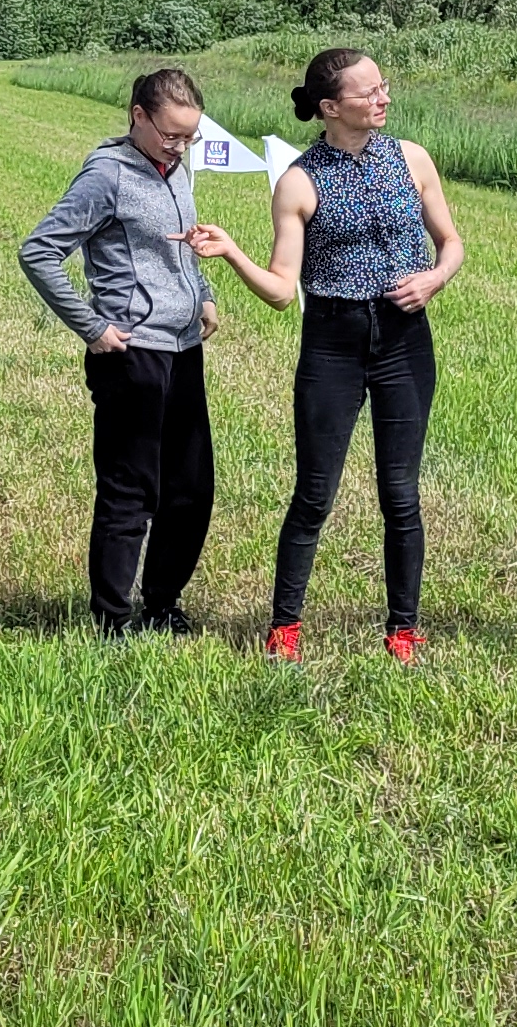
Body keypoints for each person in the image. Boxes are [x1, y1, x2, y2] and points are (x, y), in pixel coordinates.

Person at [188, 48, 465, 662]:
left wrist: (435, 278)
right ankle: (284, 627)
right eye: (369, 92)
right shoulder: (299, 181)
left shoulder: (413, 158)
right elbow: (282, 291)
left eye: (383, 86)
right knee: (315, 494)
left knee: (401, 495)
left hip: (404, 340)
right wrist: (232, 252)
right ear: (330, 107)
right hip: (332, 345)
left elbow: (450, 242)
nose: (383, 98)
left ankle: (403, 630)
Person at [18, 66, 224, 636]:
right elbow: (38, 252)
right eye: (171, 135)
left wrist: (203, 293)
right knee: (131, 492)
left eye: (190, 137)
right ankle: (112, 620)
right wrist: (92, 327)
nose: (181, 147)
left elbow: (177, 248)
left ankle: (162, 606)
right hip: (132, 356)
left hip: (183, 350)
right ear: (138, 116)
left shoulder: (175, 169)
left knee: (190, 490)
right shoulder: (106, 175)